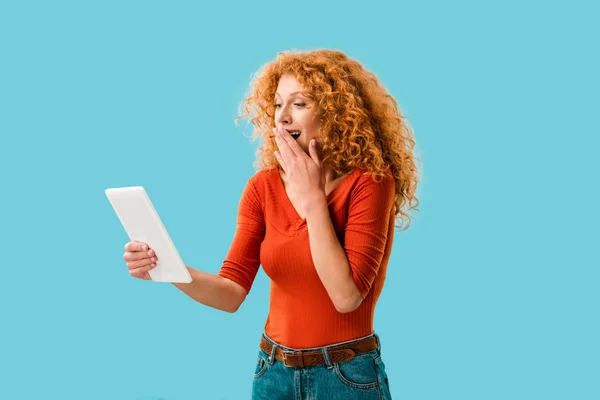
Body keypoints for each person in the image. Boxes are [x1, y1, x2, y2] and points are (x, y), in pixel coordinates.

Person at [122, 49, 420, 399]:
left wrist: (312, 200)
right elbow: (231, 293)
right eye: (278, 105)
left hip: (345, 377)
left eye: (299, 103)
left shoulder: (371, 182)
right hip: (273, 372)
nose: (282, 118)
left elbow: (346, 297)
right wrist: (167, 266)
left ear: (337, 111)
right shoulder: (262, 188)